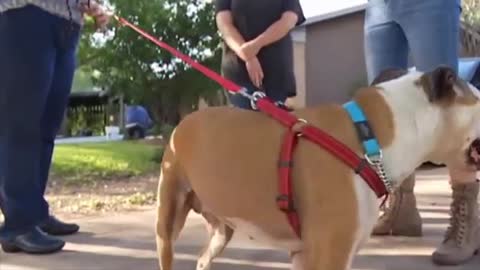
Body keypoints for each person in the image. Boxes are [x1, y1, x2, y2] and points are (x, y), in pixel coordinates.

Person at [364, 0, 480, 265]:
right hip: (379, 6)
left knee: (446, 104)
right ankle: (402, 208)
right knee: (383, 102)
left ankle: (468, 221)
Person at [0, 0, 110, 254]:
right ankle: (18, 224)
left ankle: (34, 213)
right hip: (25, 14)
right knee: (21, 123)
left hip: (68, 25)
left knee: (46, 126)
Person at [214, 0, 306, 110]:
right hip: (240, 71)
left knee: (276, 122)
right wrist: (248, 55)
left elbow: (289, 20)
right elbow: (224, 25)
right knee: (246, 121)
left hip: (276, 72)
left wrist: (256, 45)